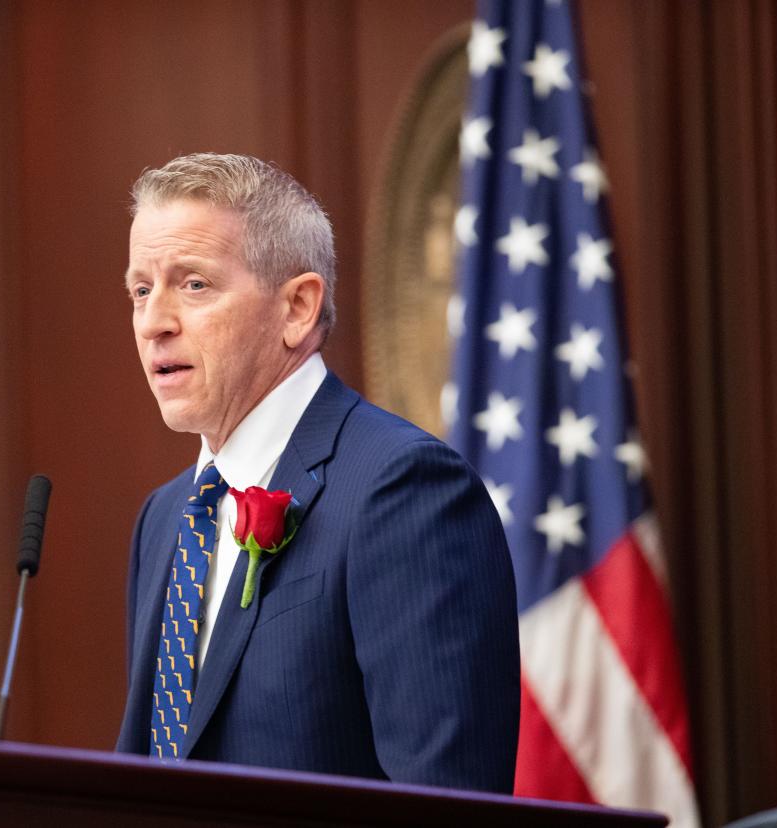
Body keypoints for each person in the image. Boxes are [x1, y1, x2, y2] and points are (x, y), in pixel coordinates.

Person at [115, 152, 519, 793]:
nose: (154, 322)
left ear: (298, 308)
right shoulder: (165, 518)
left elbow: (445, 798)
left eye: (193, 284)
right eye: (142, 289)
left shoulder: (403, 490)